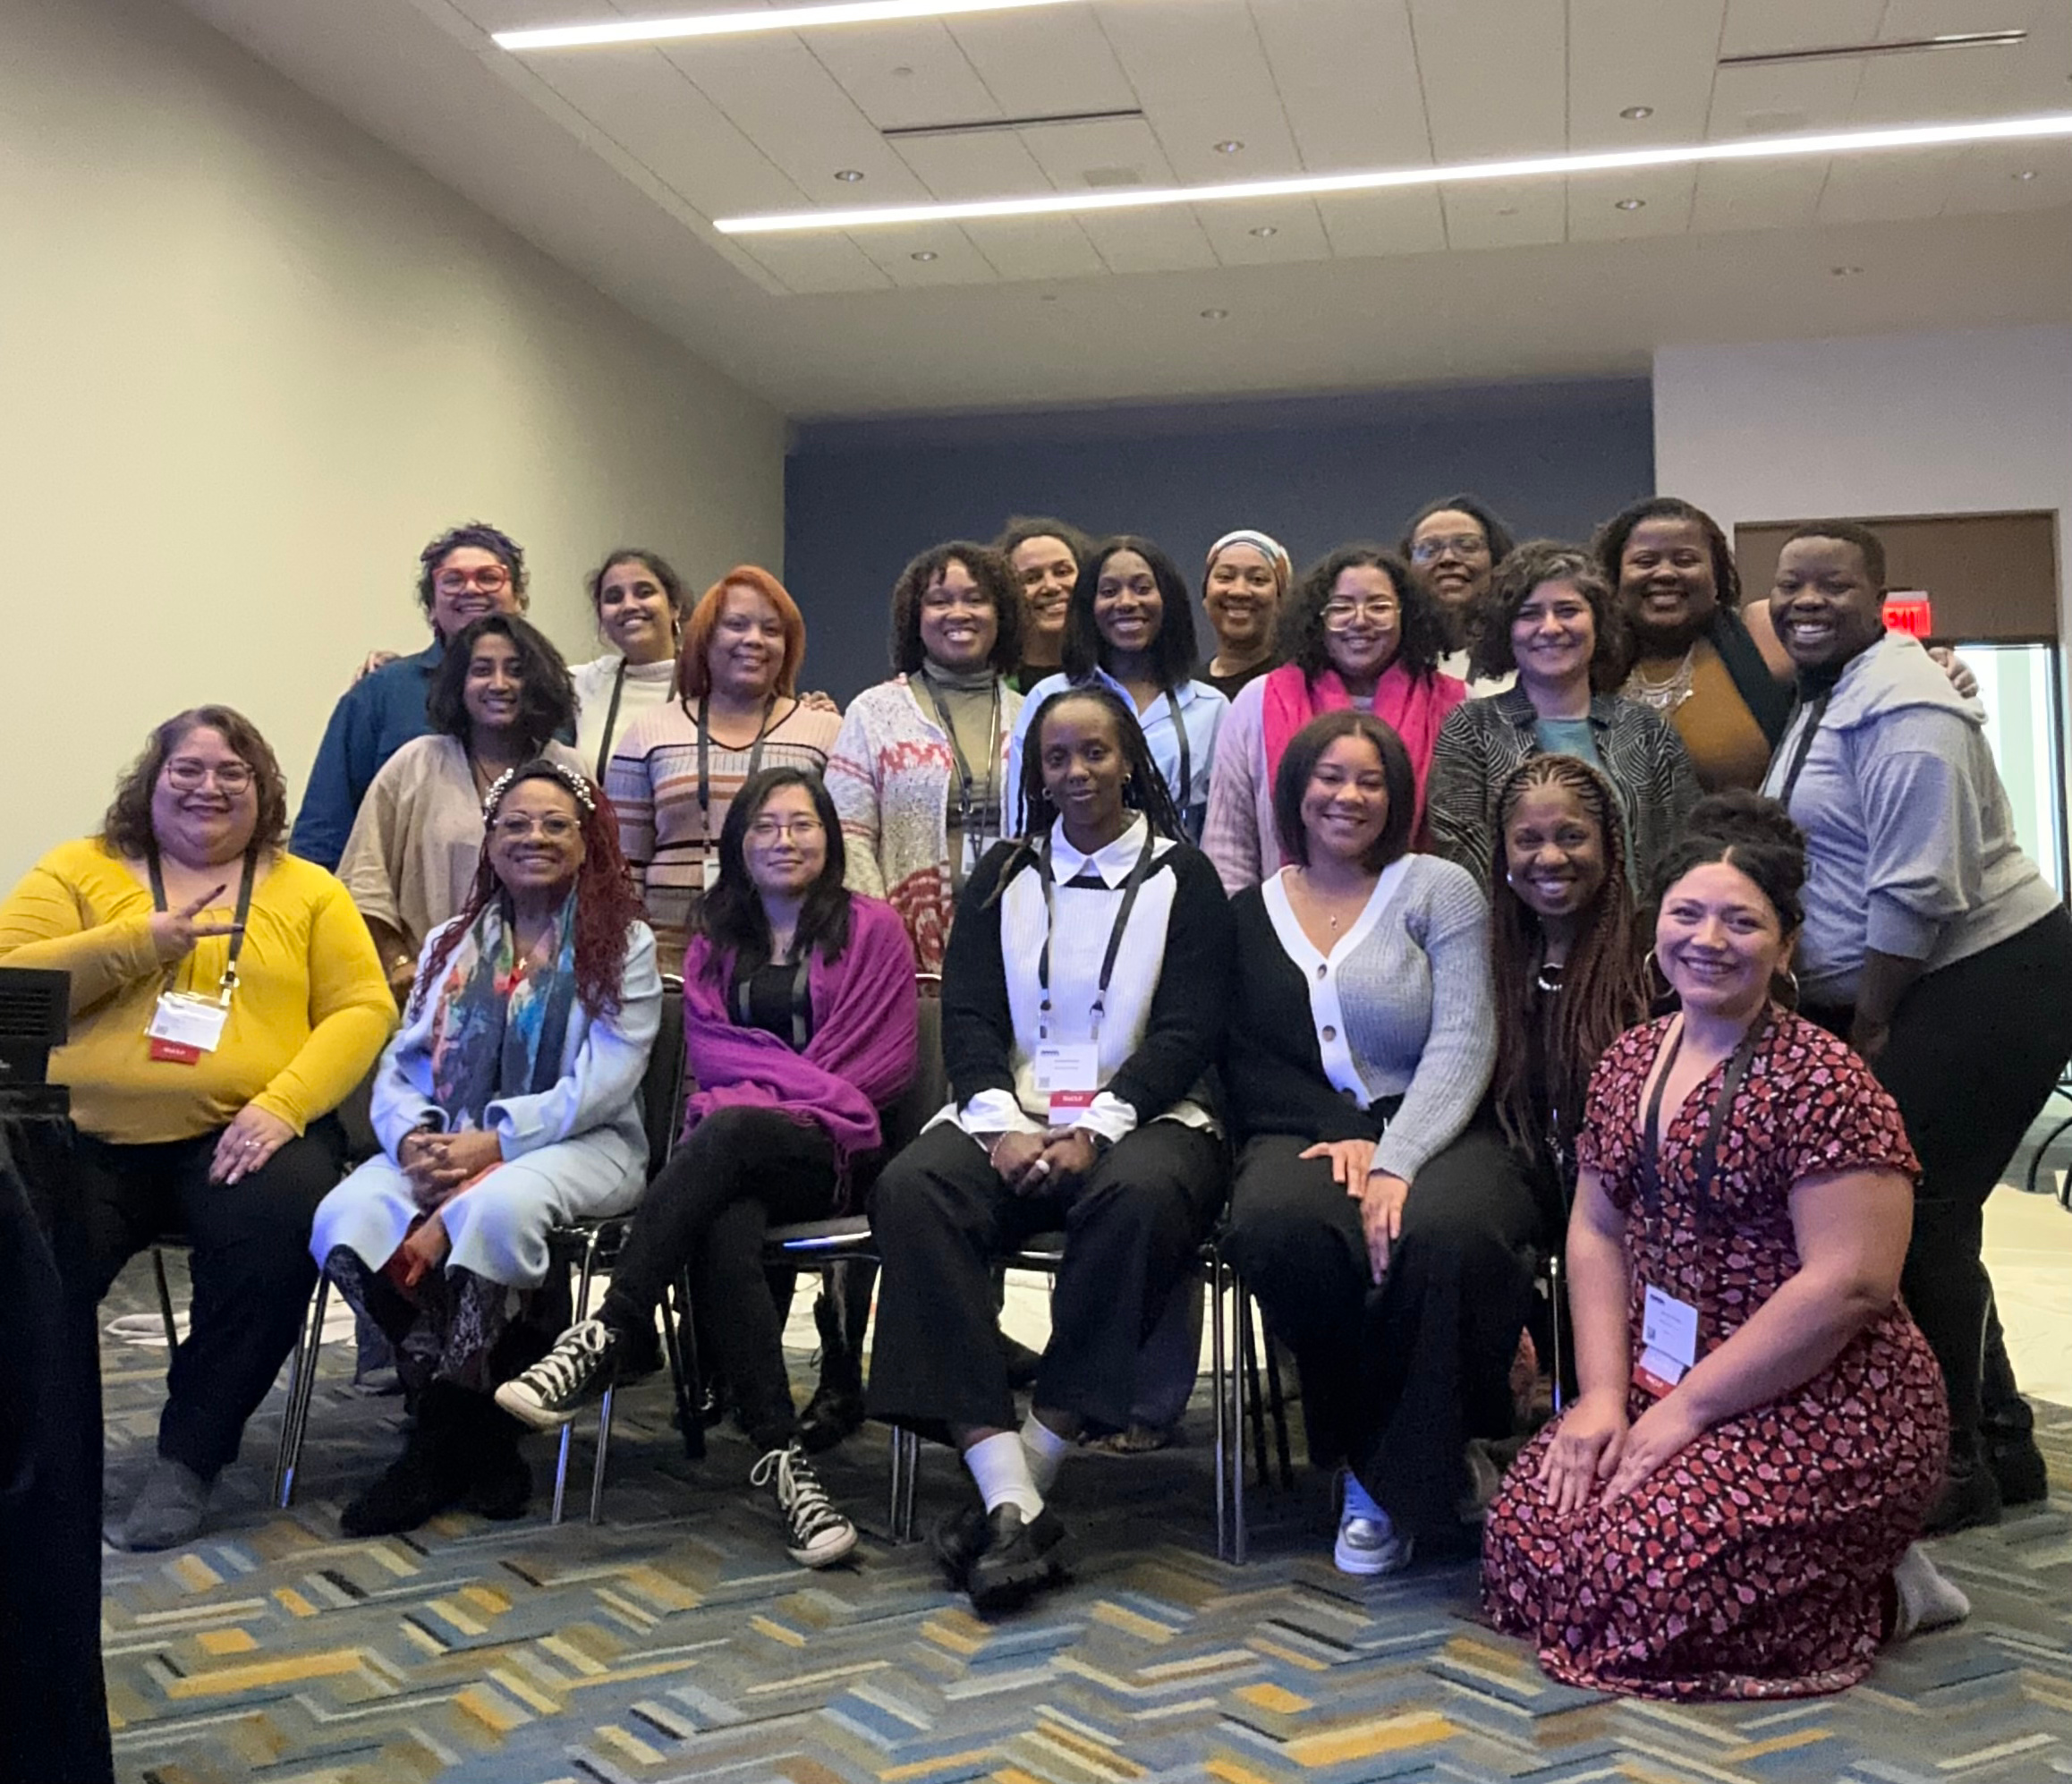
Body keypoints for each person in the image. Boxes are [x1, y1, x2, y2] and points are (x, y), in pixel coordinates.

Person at [1482, 793, 1966, 1699]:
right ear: (1654, 924)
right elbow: (1594, 1226)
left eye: (1742, 921)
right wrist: (1599, 1398)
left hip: (1822, 1400)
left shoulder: (1826, 1081)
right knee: (1529, 1531)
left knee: (1640, 1572)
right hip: (1668, 1371)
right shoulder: (1632, 1057)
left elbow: (1851, 1284)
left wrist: (1686, 1412)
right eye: (1687, 913)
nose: (1708, 938)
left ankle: (1882, 1594)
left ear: (1785, 945)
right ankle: (1835, 1574)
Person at [867, 688, 1234, 1615]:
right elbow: (972, 1016)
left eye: (1096, 753)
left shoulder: (1182, 875)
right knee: (912, 1189)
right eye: (1057, 757)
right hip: (1009, 1116)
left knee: (1142, 1202)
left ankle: (1030, 1465)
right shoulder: (999, 872)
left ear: (1129, 760)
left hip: (1150, 1119)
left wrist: (1099, 1125)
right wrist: (1003, 1122)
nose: (1077, 773)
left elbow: (1189, 1029)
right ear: (1036, 771)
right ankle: (1014, 1498)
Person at [497, 769, 920, 1565]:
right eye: (764, 827)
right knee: (721, 1213)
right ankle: (787, 1462)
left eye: (801, 825)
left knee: (721, 1136)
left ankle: (611, 1328)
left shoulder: (874, 929)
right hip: (737, 1156)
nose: (784, 840)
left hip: (835, 1152)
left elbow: (880, 1067)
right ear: (737, 846)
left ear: (830, 839)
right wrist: (761, 1094)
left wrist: (770, 1097)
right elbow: (714, 1053)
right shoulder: (717, 944)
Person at [0, 708, 395, 1549]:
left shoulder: (307, 889)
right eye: (187, 770)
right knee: (30, 1270)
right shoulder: (78, 871)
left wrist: (283, 1104)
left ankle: (189, 1458)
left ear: (263, 791)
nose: (208, 788)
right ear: (151, 780)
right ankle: (49, 1465)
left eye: (232, 773)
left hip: (244, 1131)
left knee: (280, 1236)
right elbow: (12, 988)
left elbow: (364, 1008)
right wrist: (137, 943)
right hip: (81, 1136)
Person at [1760, 520, 2072, 1532]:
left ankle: (1950, 1465)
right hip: (1935, 981)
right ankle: (1998, 1438)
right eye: (1790, 584)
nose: (1809, 600)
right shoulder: (1835, 693)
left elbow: (1918, 884)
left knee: (1912, 1207)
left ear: (1877, 595)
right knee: (1933, 1207)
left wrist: (1874, 1020)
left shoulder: (1906, 702)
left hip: (1978, 976)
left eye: (1833, 583)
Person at [1221, 711, 1537, 1573]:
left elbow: (1467, 1037)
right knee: (1281, 1229)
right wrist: (1344, 1134)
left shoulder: (1441, 888)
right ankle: (1383, 1457)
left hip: (1444, 1122)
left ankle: (1402, 1468)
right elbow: (1241, 1055)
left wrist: (1395, 1155)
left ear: (1398, 796)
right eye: (1329, 776)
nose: (1348, 796)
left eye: (1371, 780)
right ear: (1295, 789)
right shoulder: (1249, 913)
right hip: (1303, 1133)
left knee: (1444, 1235)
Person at [309, 760, 659, 1534]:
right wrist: (411, 1139)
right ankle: (471, 1422)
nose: (534, 837)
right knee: (345, 1218)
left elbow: (606, 1078)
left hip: (579, 1143)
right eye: (515, 825)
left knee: (495, 1210)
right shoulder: (447, 941)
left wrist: (492, 1143)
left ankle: (435, 1445)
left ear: (588, 838)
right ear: (490, 842)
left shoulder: (621, 941)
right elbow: (400, 1065)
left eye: (555, 824)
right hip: (439, 1144)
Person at [1595, 496, 1977, 793]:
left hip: (1760, 875)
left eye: (1685, 559)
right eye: (1645, 561)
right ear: (1613, 576)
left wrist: (1926, 664)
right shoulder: (1590, 661)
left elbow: (1868, 653)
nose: (1665, 573)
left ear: (1717, 576)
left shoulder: (1759, 631)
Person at [1426, 541, 1699, 896]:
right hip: (1513, 946)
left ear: (1598, 623)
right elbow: (1461, 858)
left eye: (1568, 610)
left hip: (1638, 941)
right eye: (1529, 614)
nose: (1551, 627)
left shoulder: (1648, 730)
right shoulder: (1471, 729)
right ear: (1506, 631)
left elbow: (1685, 850)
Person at [339, 614, 584, 999]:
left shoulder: (570, 768)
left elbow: (600, 878)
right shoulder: (416, 764)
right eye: (482, 670)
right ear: (459, 683)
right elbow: (365, 880)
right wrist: (399, 962)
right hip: (429, 988)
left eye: (516, 671)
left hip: (547, 991)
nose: (499, 684)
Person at [608, 566, 843, 967]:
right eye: (736, 625)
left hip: (790, 956)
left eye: (771, 630)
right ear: (705, 638)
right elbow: (622, 867)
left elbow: (842, 860)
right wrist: (623, 958)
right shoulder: (647, 733)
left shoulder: (826, 733)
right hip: (667, 954)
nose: (754, 640)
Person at [1202, 545, 1462, 894]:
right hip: (1281, 929)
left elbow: (1469, 847)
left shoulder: (1457, 704)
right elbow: (1228, 846)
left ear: (1407, 615)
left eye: (1379, 607)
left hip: (1421, 926)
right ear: (1316, 618)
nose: (1360, 620)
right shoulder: (1258, 700)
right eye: (1340, 607)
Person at [828, 541, 1025, 975]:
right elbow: (848, 837)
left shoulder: (1031, 714)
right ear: (915, 619)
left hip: (1020, 942)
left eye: (976, 599)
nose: (959, 613)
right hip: (903, 951)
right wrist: (880, 936)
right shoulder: (874, 712)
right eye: (939, 601)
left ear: (1003, 615)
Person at [292, 522, 529, 868]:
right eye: (453, 579)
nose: (471, 589)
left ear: (519, 599)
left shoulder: (554, 692)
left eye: (489, 577)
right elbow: (323, 831)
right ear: (431, 606)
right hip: (404, 910)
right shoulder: (381, 693)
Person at [1486, 755, 1650, 1217]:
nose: (1551, 857)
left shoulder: (1654, 964)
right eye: (1528, 840)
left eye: (1572, 836)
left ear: (1610, 846)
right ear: (1504, 855)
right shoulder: (1490, 961)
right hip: (1519, 1196)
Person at [1006, 538, 1227, 844]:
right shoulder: (1050, 698)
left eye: (1142, 588)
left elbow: (1225, 832)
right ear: (1088, 606)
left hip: (1178, 882)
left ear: (1169, 601)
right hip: (1066, 881)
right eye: (1109, 591)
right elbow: (1023, 818)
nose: (1126, 602)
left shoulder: (1211, 708)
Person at [570, 548, 692, 777]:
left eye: (644, 592)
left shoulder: (708, 682)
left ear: (675, 607)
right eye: (614, 598)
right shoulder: (581, 683)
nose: (629, 605)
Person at [1400, 493, 1516, 691]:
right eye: (1429, 549)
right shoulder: (1390, 662)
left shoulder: (1527, 656)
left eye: (1467, 546)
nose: (1448, 559)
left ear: (1497, 561)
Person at [996, 516, 1093, 694]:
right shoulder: (993, 683)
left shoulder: (1115, 672)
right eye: (1031, 578)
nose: (1051, 586)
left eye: (1062, 572)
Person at [1199, 529, 1291, 700]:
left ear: (1281, 599)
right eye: (1225, 577)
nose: (1239, 592)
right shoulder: (1187, 694)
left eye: (1257, 579)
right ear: (1205, 595)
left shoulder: (1299, 685)